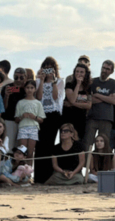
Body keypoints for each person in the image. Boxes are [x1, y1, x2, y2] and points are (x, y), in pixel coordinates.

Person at [34, 57, 65, 185]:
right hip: (41, 115)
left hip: (54, 115)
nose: (48, 70)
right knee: (40, 145)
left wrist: (52, 81)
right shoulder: (37, 81)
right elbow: (39, 96)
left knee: (50, 145)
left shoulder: (60, 81)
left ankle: (47, 176)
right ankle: (38, 177)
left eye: (50, 68)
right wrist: (41, 81)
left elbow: (56, 97)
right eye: (45, 67)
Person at [85, 60, 115, 146]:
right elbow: (89, 99)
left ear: (111, 71)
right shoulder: (93, 81)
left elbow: (114, 101)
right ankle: (87, 160)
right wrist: (107, 98)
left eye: (107, 69)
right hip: (92, 117)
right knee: (87, 143)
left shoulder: (113, 83)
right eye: (103, 68)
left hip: (106, 118)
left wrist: (97, 95)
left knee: (104, 145)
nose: (104, 70)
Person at [14, 80, 45, 164]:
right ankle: (20, 172)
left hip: (33, 128)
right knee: (22, 151)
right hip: (23, 127)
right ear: (24, 89)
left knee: (30, 153)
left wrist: (34, 117)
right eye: (28, 87)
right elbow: (16, 119)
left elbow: (41, 119)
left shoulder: (38, 103)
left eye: (32, 88)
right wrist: (22, 117)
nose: (30, 90)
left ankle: (28, 173)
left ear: (35, 89)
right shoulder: (20, 102)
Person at [63, 63, 92, 141]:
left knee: (78, 141)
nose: (79, 74)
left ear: (86, 74)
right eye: (77, 71)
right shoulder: (69, 85)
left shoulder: (88, 87)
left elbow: (89, 105)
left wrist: (73, 104)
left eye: (81, 72)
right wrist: (78, 84)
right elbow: (72, 98)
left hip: (81, 119)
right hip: (68, 117)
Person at [2, 68, 29, 150]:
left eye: (21, 77)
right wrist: (7, 96)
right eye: (16, 77)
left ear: (25, 77)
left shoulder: (28, 88)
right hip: (9, 120)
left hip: (23, 122)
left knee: (21, 150)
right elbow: (3, 107)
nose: (18, 80)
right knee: (8, 148)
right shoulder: (8, 87)